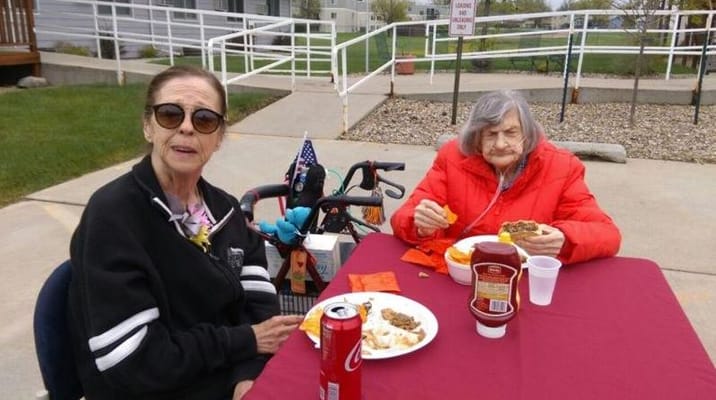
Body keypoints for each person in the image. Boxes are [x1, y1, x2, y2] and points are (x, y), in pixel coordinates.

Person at [67, 65, 303, 400]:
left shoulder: (225, 209)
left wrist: (246, 377)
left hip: (222, 375)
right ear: (148, 126)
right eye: (170, 115)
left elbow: (259, 304)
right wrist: (245, 341)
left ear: (218, 137)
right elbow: (135, 362)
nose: (187, 128)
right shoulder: (113, 217)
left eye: (204, 119)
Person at [391, 90, 621, 264]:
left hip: (526, 278)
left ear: (527, 133)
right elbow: (403, 216)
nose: (501, 144)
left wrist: (566, 239)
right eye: (490, 134)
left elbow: (608, 235)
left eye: (511, 133)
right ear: (476, 138)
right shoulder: (453, 157)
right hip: (460, 272)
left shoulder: (560, 166)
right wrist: (420, 224)